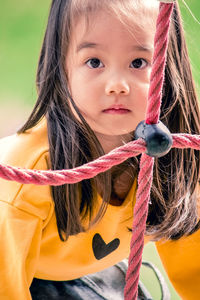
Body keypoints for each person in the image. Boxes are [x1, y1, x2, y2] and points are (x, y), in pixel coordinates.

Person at [0, 0, 199, 299]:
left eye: (138, 63)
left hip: (76, 274)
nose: (116, 85)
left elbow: (193, 268)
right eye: (94, 62)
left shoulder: (166, 156)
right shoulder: (28, 176)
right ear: (60, 70)